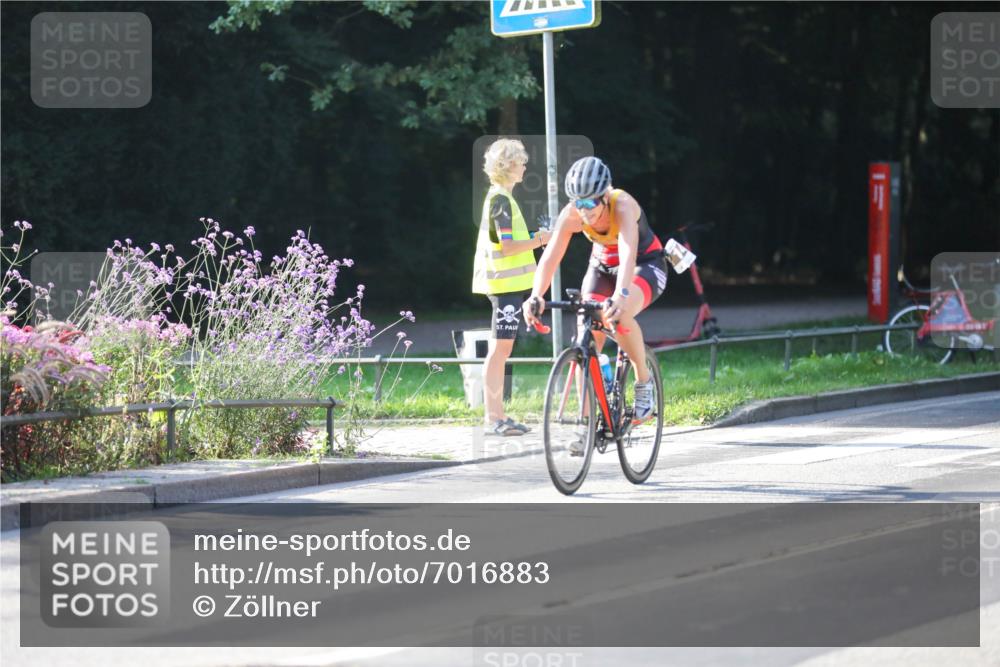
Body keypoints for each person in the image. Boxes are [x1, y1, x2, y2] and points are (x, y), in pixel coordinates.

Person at [522, 156, 668, 441]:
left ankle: (643, 382)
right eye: (578, 203)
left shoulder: (623, 205)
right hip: (601, 266)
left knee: (618, 314)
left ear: (604, 196)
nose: (584, 210)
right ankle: (585, 424)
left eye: (589, 203)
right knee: (584, 335)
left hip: (643, 264)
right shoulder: (573, 213)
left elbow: (627, 252)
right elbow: (551, 257)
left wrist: (620, 295)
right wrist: (535, 296)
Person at [472, 139, 551, 436]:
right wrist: (542, 239)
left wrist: (538, 236)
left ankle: (497, 417)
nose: (524, 166)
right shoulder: (501, 200)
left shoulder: (501, 198)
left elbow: (509, 241)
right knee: (499, 351)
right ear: (507, 166)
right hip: (504, 287)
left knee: (501, 350)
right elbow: (507, 248)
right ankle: (494, 419)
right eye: (520, 161)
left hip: (508, 286)